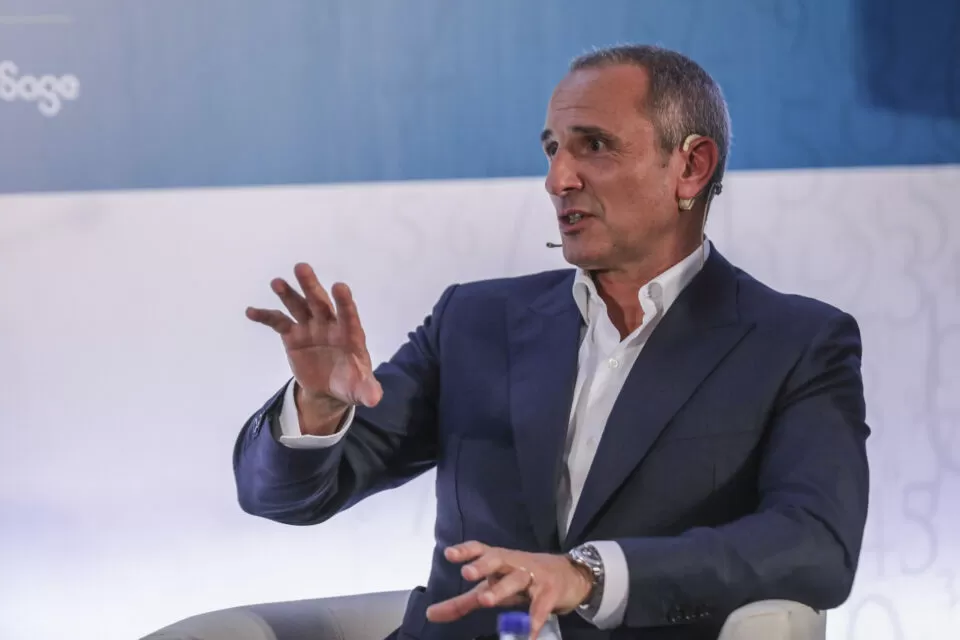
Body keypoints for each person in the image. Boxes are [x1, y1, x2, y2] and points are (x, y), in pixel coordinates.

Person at [235, 45, 870, 640]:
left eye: (594, 146)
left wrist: (591, 576)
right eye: (552, 149)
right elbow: (283, 498)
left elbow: (815, 546)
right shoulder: (474, 322)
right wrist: (319, 408)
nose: (557, 179)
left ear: (690, 167)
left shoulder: (795, 344)